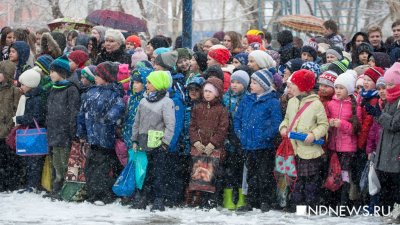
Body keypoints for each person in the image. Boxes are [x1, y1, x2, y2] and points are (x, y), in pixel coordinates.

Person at [279, 69, 329, 212]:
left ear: (302, 86)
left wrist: (313, 134)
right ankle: (297, 208)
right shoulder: (292, 101)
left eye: (293, 84)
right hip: (293, 149)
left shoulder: (316, 104)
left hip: (310, 150)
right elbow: (287, 119)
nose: (290, 88)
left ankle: (310, 208)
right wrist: (283, 128)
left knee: (310, 182)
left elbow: (324, 125)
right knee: (295, 181)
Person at [76, 61, 125, 205]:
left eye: (98, 75)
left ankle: (102, 194)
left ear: (106, 77)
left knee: (102, 167)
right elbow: (81, 114)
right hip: (92, 137)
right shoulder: (90, 92)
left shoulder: (114, 94)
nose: (96, 77)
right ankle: (93, 192)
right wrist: (81, 132)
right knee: (90, 166)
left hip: (106, 137)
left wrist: (106, 119)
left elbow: (118, 110)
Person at [234, 69, 282, 212]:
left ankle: (265, 200)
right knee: (250, 174)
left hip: (264, 146)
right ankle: (251, 201)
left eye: (255, 83)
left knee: (264, 173)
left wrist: (264, 136)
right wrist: (240, 134)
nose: (251, 85)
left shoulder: (272, 102)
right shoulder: (247, 99)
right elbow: (238, 118)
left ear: (263, 85)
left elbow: (276, 123)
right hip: (248, 144)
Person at [130, 70, 175, 212]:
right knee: (143, 172)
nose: (147, 85)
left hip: (157, 143)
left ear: (158, 84)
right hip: (143, 141)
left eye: (150, 82)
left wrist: (165, 142)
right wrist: (134, 139)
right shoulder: (143, 100)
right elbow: (136, 121)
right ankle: (143, 197)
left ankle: (158, 199)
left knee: (158, 172)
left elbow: (170, 124)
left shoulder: (167, 102)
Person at [366, 62, 400, 224]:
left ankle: (395, 213)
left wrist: (379, 114)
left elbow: (395, 124)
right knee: (385, 188)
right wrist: (375, 113)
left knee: (395, 188)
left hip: (395, 154)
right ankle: (386, 213)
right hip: (386, 154)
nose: (388, 88)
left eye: (391, 84)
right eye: (386, 85)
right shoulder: (390, 101)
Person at [189, 77, 229, 209]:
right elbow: (192, 126)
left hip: (214, 149)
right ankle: (200, 199)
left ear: (217, 93)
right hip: (199, 148)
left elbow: (223, 129)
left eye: (210, 91)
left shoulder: (221, 109)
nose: (207, 94)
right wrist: (196, 142)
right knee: (199, 174)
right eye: (205, 91)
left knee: (213, 175)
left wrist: (213, 143)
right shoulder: (197, 107)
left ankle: (212, 199)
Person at [45, 56, 80, 198]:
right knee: (56, 162)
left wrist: (72, 131)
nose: (50, 74)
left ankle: (64, 189)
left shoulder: (71, 89)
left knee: (65, 162)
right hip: (54, 130)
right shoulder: (53, 88)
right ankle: (56, 187)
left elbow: (73, 112)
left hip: (64, 132)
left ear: (62, 72)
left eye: (53, 71)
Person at [325, 70, 361, 208]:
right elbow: (325, 120)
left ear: (349, 90)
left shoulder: (354, 106)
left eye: (342, 88)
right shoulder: (330, 104)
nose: (338, 91)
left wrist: (342, 124)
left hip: (347, 148)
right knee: (333, 174)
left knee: (344, 175)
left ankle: (344, 204)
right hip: (333, 146)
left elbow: (356, 128)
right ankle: (333, 203)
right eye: (337, 87)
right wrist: (330, 122)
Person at [14, 69, 46, 193]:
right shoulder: (30, 97)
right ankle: (30, 183)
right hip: (31, 133)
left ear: (31, 84)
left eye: (23, 84)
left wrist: (19, 119)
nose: (21, 86)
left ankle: (32, 184)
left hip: (34, 133)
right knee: (30, 160)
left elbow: (35, 117)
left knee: (34, 161)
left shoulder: (36, 99)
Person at [222, 70, 250, 210]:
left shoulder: (248, 99)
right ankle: (228, 197)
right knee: (229, 169)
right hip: (227, 138)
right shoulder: (225, 98)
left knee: (241, 170)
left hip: (241, 138)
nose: (234, 85)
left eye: (239, 82)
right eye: (233, 82)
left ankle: (241, 197)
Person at [0, 60, 20, 192]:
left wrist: (11, 126)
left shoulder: (14, 91)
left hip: (8, 131)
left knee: (9, 160)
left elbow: (16, 110)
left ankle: (10, 183)